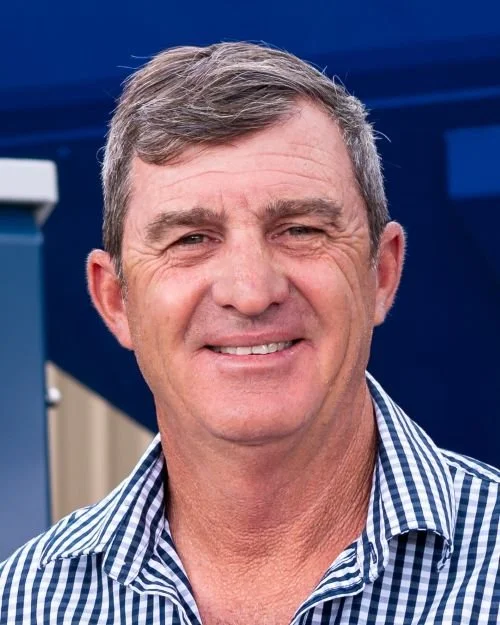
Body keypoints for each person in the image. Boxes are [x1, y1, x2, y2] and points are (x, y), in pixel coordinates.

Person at [1, 42, 499, 625]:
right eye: (191, 239)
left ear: (381, 275)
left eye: (300, 230)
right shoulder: (26, 601)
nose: (251, 291)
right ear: (116, 300)